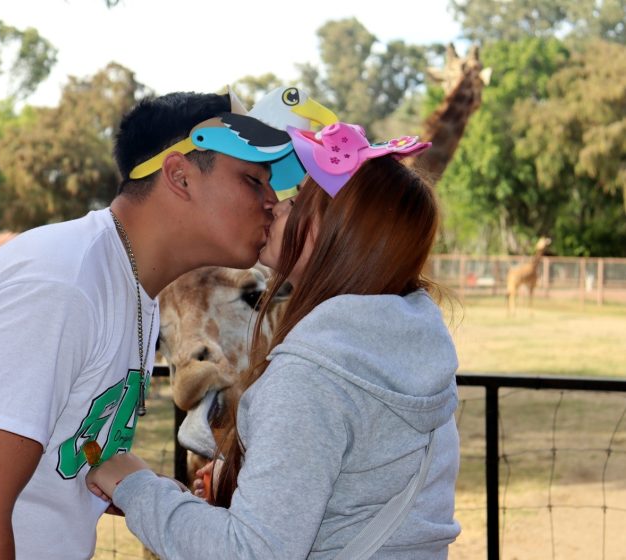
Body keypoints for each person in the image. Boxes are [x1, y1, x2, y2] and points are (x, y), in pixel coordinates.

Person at [0, 90, 305, 559]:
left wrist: (161, 496)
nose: (272, 201)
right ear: (180, 176)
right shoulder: (61, 285)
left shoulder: (123, 284)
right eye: (253, 179)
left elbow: (70, 458)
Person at [87, 122, 462, 559]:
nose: (276, 207)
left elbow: (249, 553)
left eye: (299, 200)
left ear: (341, 235)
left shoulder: (313, 376)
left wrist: (133, 485)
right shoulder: (410, 356)